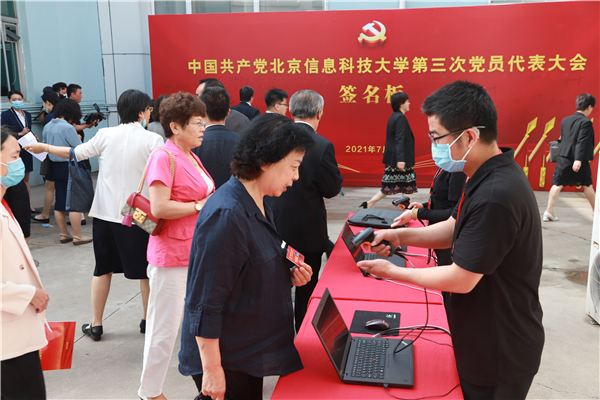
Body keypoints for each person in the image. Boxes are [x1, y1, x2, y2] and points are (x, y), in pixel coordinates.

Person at [358, 81, 544, 400]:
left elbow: (461, 279)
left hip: (498, 348)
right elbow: (451, 228)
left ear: (469, 136)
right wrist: (399, 235)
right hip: (481, 331)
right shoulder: (481, 174)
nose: (433, 145)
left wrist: (392, 272)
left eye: (436, 137)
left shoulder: (496, 195)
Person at [178, 114, 314, 400]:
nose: (296, 177)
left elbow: (252, 263)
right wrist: (212, 370)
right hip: (227, 358)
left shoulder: (258, 201)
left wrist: (287, 274)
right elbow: (205, 302)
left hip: (248, 351)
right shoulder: (227, 215)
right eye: (293, 167)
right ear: (265, 161)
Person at [27, 89, 164, 342]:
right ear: (141, 112)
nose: (149, 113)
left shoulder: (104, 135)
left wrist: (43, 146)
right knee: (146, 270)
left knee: (102, 269)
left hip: (105, 213)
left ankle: (96, 324)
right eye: (148, 109)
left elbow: (73, 154)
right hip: (138, 214)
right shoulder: (153, 140)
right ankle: (148, 321)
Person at [138, 92, 215, 400]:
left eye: (203, 122)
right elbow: (158, 207)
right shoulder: (164, 156)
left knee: (196, 323)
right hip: (171, 256)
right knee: (163, 328)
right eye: (197, 123)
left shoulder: (190, 154)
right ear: (175, 127)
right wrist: (199, 206)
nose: (203, 129)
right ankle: (150, 392)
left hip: (194, 251)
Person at [265, 90, 343, 331]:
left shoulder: (274, 138)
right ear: (319, 113)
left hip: (274, 227)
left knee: (274, 286)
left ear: (291, 110)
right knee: (306, 290)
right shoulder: (321, 145)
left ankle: (275, 338)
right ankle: (302, 338)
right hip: (307, 233)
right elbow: (331, 189)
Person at [1, 126, 50, 399]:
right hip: (7, 340)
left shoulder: (4, 203)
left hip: (17, 333)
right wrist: (28, 294)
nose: (19, 163)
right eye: (14, 156)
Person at [392, 167, 467, 266]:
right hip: (438, 234)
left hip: (449, 237)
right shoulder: (446, 167)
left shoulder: (458, 172)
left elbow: (456, 212)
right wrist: (424, 206)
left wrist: (417, 213)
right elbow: (442, 201)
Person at [43, 98, 92, 245]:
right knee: (74, 202)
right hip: (69, 166)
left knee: (60, 201)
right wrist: (79, 138)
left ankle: (64, 234)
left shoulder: (47, 126)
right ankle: (77, 236)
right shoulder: (68, 128)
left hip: (54, 166)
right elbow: (79, 149)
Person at [544, 93, 596, 221]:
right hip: (579, 160)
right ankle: (596, 211)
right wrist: (578, 159)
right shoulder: (586, 122)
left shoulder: (565, 120)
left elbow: (565, 139)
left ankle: (548, 211)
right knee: (587, 185)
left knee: (557, 184)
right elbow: (581, 142)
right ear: (589, 107)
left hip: (563, 157)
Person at [361, 92, 417, 208]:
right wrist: (401, 159)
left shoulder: (394, 116)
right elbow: (399, 139)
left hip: (394, 158)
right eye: (407, 101)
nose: (409, 103)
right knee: (408, 186)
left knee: (392, 186)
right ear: (401, 104)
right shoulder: (400, 118)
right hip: (400, 159)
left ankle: (369, 203)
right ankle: (407, 211)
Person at [192, 86, 238, 189]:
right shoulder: (241, 141)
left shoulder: (194, 143)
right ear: (228, 112)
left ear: (203, 113)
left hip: (204, 197)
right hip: (234, 197)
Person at [1, 89, 37, 214]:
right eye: (14, 99)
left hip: (26, 147)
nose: (17, 101)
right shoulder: (6, 114)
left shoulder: (27, 114)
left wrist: (33, 136)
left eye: (19, 99)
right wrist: (19, 134)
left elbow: (29, 130)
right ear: (9, 101)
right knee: (15, 178)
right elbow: (3, 133)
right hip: (13, 150)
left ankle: (28, 204)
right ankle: (14, 206)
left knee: (26, 177)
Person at [32, 90, 62, 224]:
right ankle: (80, 216)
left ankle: (45, 214)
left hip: (51, 155)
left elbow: (48, 139)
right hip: (64, 155)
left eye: (43, 103)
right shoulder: (62, 114)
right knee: (66, 186)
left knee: (49, 188)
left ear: (47, 102)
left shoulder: (50, 117)